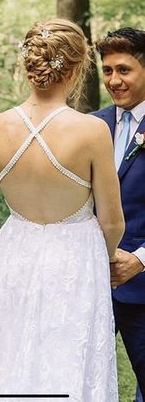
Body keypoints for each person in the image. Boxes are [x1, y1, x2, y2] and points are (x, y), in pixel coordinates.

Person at [0, 18, 124, 402]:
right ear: (78, 68)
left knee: (5, 354)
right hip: (75, 256)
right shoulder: (92, 131)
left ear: (29, 65)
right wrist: (105, 258)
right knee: (64, 359)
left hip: (16, 248)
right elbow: (112, 220)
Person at [94, 27, 145, 401]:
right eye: (108, 70)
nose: (114, 80)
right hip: (89, 281)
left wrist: (141, 261)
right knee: (80, 379)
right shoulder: (90, 126)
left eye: (124, 70)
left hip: (143, 287)